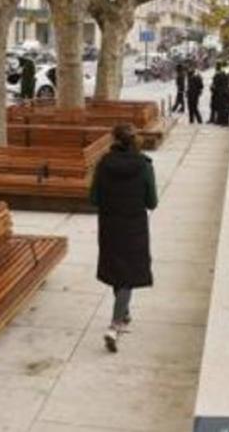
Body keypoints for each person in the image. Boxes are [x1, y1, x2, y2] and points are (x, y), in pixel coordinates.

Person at [91, 124, 157, 353]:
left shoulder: (103, 164)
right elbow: (152, 202)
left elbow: (94, 198)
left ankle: (124, 313)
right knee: (127, 274)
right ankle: (114, 325)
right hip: (134, 226)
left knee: (117, 269)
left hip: (109, 225)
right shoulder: (144, 166)